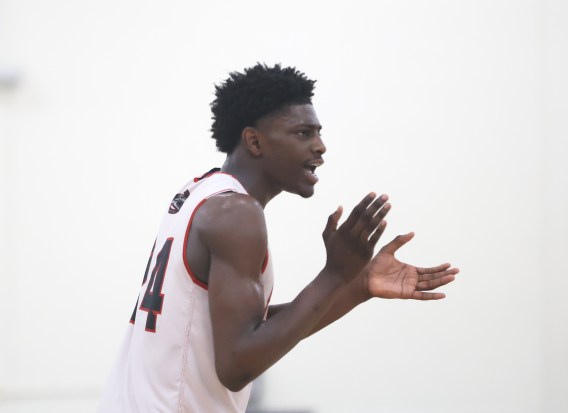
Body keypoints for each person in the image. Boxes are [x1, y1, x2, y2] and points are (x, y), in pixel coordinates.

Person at [98, 63, 459, 413]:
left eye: (319, 132)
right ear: (254, 141)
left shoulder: (198, 193)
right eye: (303, 133)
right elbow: (238, 364)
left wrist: (357, 285)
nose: (320, 146)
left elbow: (247, 330)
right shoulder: (237, 214)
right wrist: (333, 274)